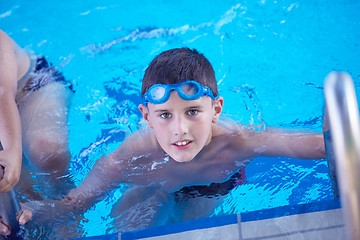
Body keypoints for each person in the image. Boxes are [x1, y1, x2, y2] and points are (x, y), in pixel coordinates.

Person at [0, 47, 326, 236]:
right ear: (145, 115)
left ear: (216, 109)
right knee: (124, 227)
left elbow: (315, 145)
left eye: (193, 112)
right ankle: (157, 193)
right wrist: (32, 212)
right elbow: (75, 203)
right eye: (165, 115)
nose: (179, 130)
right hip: (151, 180)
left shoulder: (239, 142)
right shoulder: (126, 160)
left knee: (195, 227)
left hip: (212, 184)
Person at [0, 29, 72, 196]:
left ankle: (66, 199)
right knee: (14, 185)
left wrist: (13, 151)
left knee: (47, 151)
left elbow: (3, 93)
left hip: (32, 87)